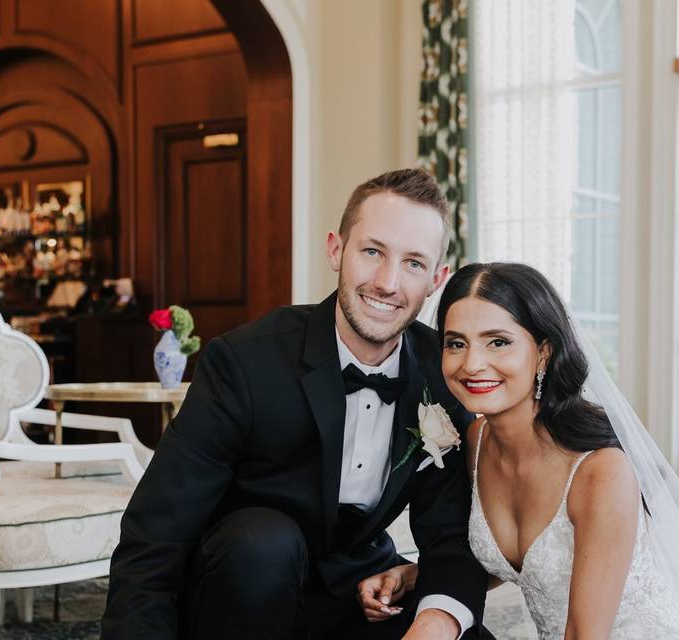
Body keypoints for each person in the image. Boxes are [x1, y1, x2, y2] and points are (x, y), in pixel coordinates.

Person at [101, 169, 490, 640]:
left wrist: (436, 622)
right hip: (243, 582)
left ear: (437, 279)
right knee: (263, 542)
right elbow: (156, 533)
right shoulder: (245, 361)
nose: (388, 283)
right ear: (335, 250)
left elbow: (450, 534)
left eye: (413, 263)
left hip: (361, 585)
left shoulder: (444, 370)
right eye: (372, 251)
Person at [361, 262, 679, 639]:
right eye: (456, 343)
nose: (472, 364)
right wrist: (416, 575)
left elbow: (583, 632)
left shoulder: (601, 473)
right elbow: (521, 564)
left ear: (543, 352)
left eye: (498, 342)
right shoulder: (476, 441)